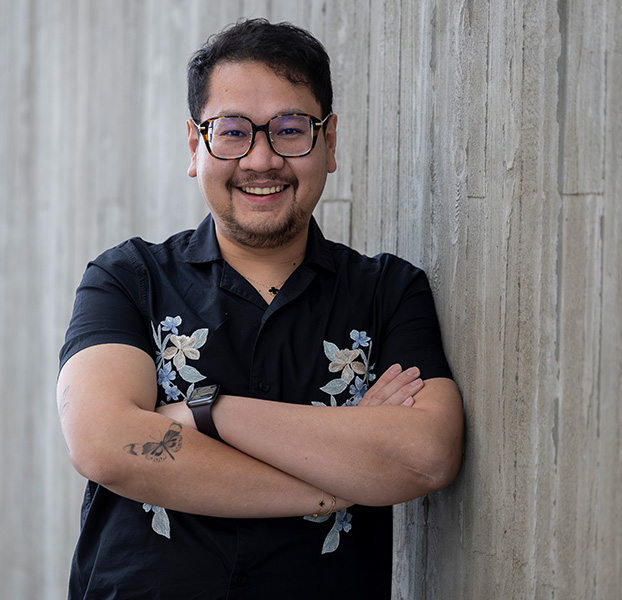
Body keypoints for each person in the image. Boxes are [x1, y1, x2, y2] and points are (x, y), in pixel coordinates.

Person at [57, 18, 464, 599]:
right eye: (232, 132)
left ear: (329, 144)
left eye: (290, 128)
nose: (261, 159)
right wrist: (338, 482)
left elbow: (426, 456)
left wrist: (206, 411)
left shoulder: (387, 292)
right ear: (196, 147)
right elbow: (101, 442)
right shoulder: (128, 279)